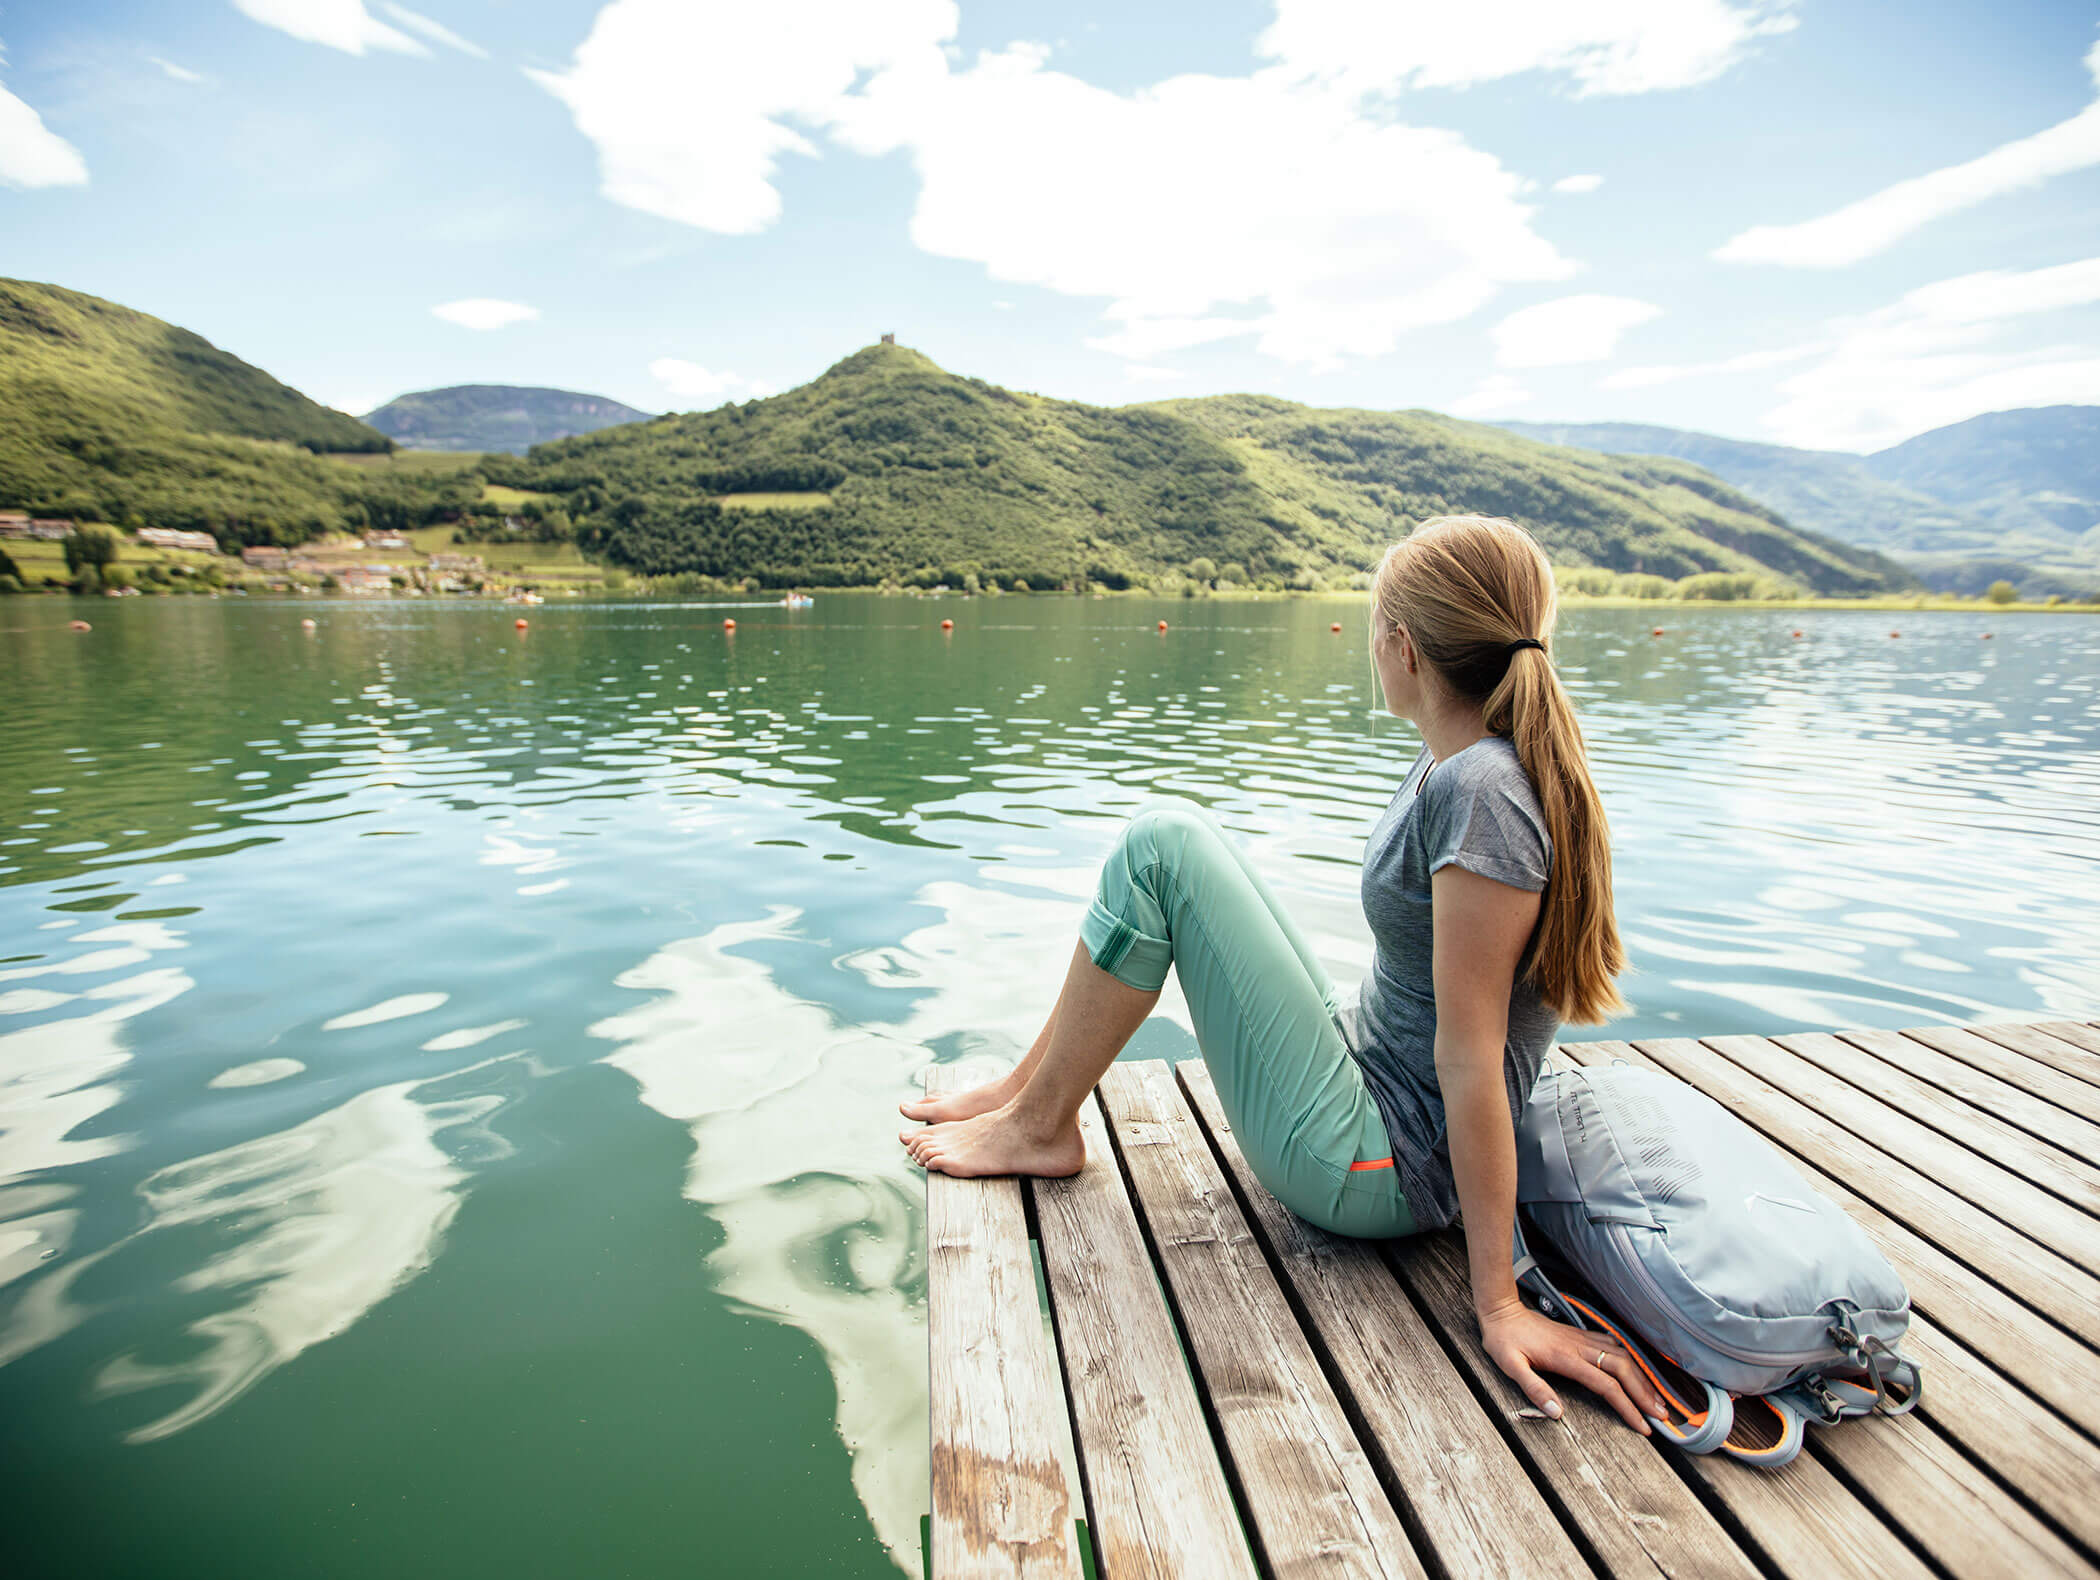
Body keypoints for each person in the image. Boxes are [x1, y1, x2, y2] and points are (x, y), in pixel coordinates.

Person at [899, 515, 1664, 1434]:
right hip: (1368, 1074)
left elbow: (1471, 1059)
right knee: (1190, 842)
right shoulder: (1454, 762)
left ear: (1403, 645)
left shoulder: (1483, 793)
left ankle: (1038, 1123)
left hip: (1377, 1162)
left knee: (1163, 847)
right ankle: (1030, 1092)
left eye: (1375, 626)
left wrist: (1499, 1300)